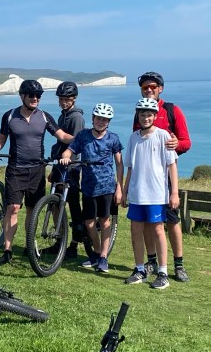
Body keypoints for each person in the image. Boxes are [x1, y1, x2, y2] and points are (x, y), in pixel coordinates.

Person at [0, 79, 75, 264]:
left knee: (33, 210)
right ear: (22, 96)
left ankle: (29, 245)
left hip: (37, 170)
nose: (35, 98)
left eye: (38, 96)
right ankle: (7, 249)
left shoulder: (45, 116)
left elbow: (62, 135)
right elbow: (1, 138)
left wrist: (83, 137)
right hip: (16, 169)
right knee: (13, 208)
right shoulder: (9, 116)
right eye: (31, 95)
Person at [134, 71, 191, 282]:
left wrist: (177, 145)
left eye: (153, 87)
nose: (149, 90)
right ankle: (151, 261)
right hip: (145, 177)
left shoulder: (172, 110)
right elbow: (137, 140)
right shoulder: (140, 111)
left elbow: (186, 142)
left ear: (160, 88)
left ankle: (178, 264)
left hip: (165, 176)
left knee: (172, 221)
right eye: (145, 88)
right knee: (149, 222)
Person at [122, 98, 179, 289]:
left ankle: (162, 272)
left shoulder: (164, 136)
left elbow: (172, 165)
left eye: (149, 114)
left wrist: (174, 193)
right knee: (135, 230)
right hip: (137, 193)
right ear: (137, 116)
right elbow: (129, 166)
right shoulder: (133, 138)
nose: (145, 118)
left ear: (155, 116)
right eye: (142, 114)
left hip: (156, 193)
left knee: (157, 230)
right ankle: (140, 269)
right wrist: (124, 189)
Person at [59, 102, 123, 273]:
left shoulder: (113, 139)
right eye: (98, 118)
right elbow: (70, 150)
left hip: (107, 186)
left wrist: (120, 187)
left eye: (104, 119)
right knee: (88, 223)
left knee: (104, 221)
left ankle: (103, 257)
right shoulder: (83, 136)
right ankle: (95, 253)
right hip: (88, 187)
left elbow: (119, 164)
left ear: (108, 122)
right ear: (93, 119)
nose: (101, 122)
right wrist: (65, 157)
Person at [47, 81, 86, 259]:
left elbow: (77, 141)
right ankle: (59, 239)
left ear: (74, 99)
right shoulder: (64, 115)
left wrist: (67, 156)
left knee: (72, 202)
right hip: (60, 163)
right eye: (61, 99)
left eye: (67, 99)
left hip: (71, 165)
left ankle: (74, 244)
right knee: (56, 201)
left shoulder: (75, 117)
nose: (63, 102)